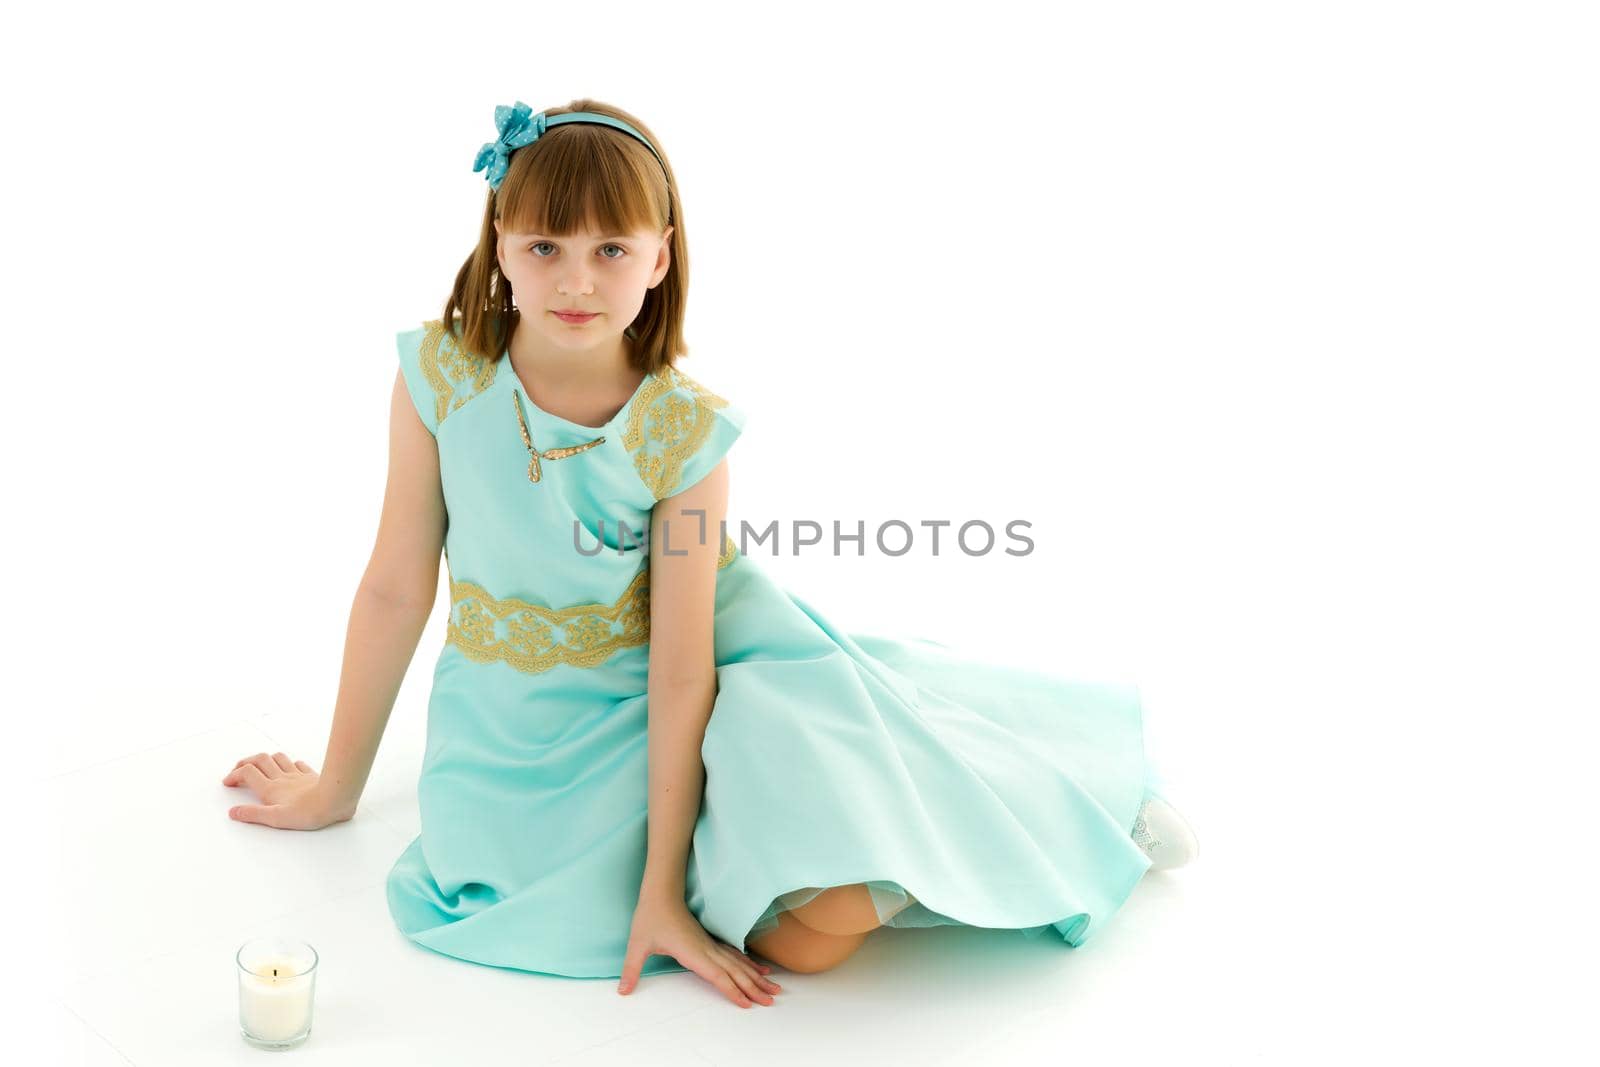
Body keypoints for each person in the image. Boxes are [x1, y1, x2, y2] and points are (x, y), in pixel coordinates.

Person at [220, 97, 1199, 1010]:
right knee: (801, 942)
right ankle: (931, 845)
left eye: (610, 246)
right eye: (544, 244)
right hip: (506, 723)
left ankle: (1078, 810)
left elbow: (683, 663)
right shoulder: (440, 378)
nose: (573, 278)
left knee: (813, 913)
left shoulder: (682, 432)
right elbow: (396, 587)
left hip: (670, 686)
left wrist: (662, 889)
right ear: (501, 249)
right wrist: (332, 790)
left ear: (658, 258)